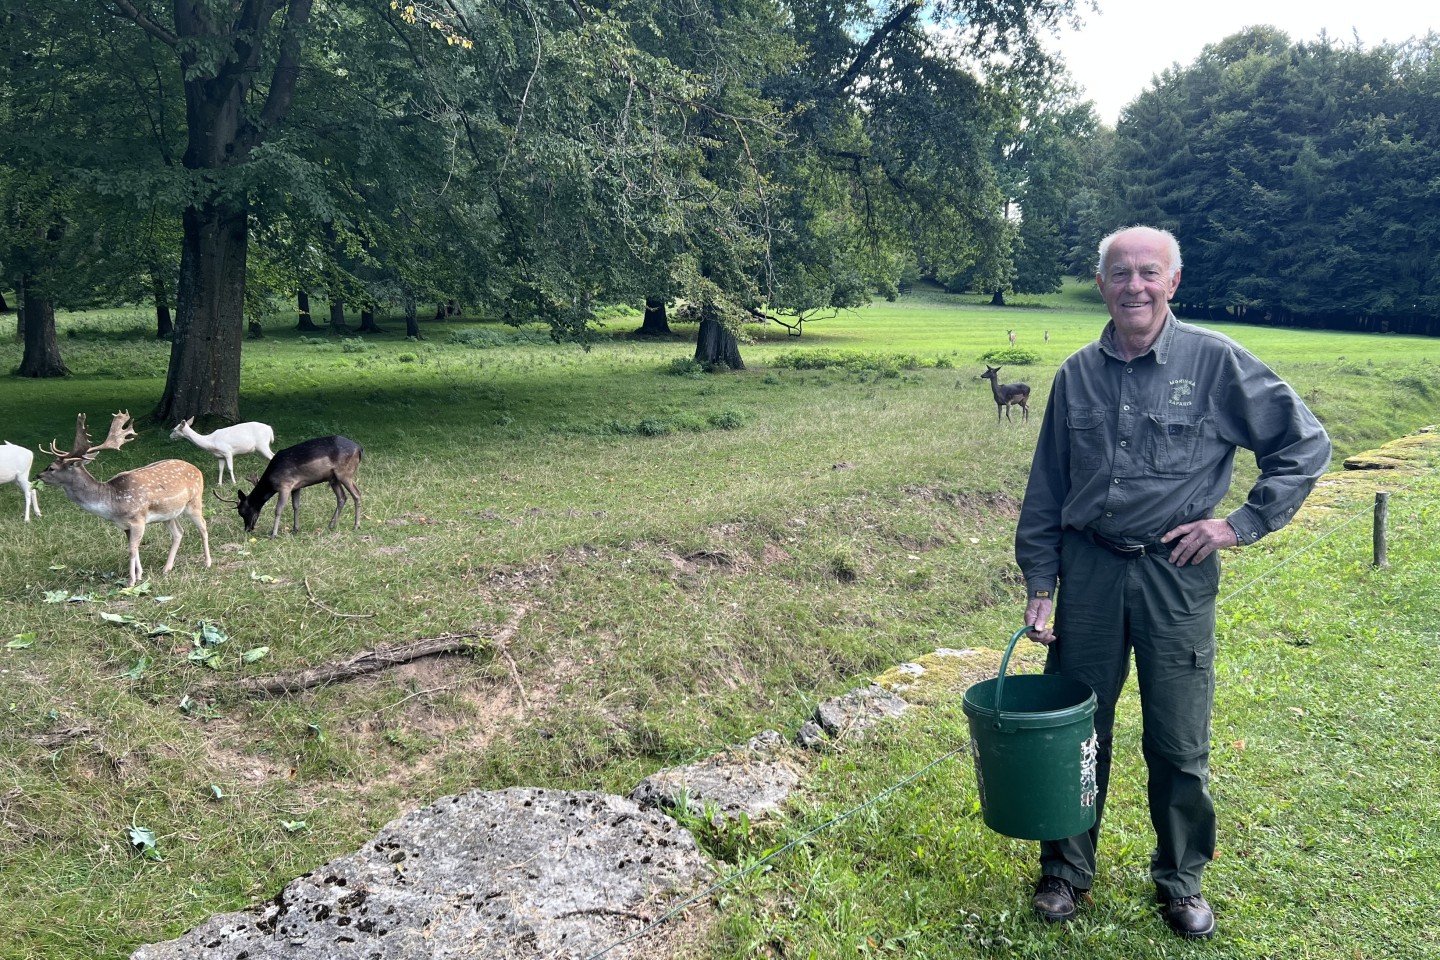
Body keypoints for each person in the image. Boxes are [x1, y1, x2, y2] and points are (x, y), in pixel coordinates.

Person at [1013, 225, 1331, 939]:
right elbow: (1046, 489)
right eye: (1120, 273)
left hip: (1174, 575)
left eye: (1148, 273)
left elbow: (1305, 443)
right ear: (1101, 284)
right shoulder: (1075, 375)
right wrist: (1041, 580)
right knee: (1075, 730)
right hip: (1089, 571)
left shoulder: (1215, 363)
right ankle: (1065, 872)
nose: (1134, 286)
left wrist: (1237, 525)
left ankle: (1181, 880)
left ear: (1174, 282)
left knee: (1178, 739)